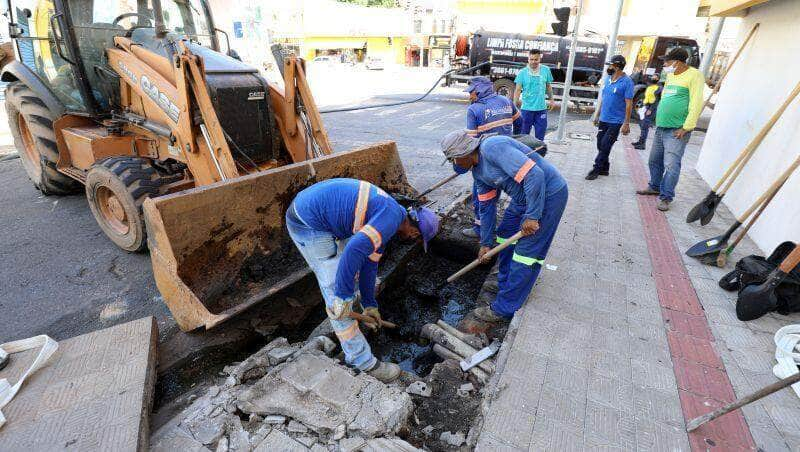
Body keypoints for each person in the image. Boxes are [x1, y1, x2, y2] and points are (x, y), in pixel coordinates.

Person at [285, 178, 440, 382]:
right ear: (415, 227)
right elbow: (353, 249)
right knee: (336, 299)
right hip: (309, 222)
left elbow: (369, 264)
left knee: (353, 271)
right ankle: (363, 362)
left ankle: (355, 308)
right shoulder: (390, 220)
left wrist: (370, 304)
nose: (413, 240)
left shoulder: (390, 221)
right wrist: (343, 296)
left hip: (323, 216)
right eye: (417, 237)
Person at [440, 131, 568, 323]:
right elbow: (487, 208)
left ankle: (505, 307)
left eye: (453, 160)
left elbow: (535, 175)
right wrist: (485, 243)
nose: (453, 165)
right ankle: (505, 281)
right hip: (522, 198)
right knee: (504, 236)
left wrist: (532, 216)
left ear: (463, 154)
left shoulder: (492, 147)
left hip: (548, 195)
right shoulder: (478, 173)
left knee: (526, 254)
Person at [636, 47, 704, 211]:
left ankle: (666, 197)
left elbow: (696, 103)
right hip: (661, 127)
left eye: (667, 61)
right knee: (654, 160)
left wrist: (686, 127)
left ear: (677, 62)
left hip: (677, 130)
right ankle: (654, 186)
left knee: (672, 165)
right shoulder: (671, 76)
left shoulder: (695, 75)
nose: (665, 64)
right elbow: (666, 98)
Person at [460, 76, 523, 238]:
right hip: (505, 157)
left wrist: (466, 164)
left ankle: (480, 229)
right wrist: (513, 139)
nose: (470, 96)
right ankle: (489, 225)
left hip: (485, 161)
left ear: (480, 90)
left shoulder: (474, 110)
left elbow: (470, 143)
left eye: (472, 93)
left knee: (482, 196)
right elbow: (519, 121)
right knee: (495, 192)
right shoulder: (505, 101)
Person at [586, 55, 634, 180]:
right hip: (603, 118)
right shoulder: (607, 79)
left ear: (617, 67)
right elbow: (604, 98)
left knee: (606, 145)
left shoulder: (627, 82)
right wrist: (596, 115)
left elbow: (629, 104)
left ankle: (596, 169)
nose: (608, 67)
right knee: (600, 144)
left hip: (616, 121)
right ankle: (605, 168)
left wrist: (626, 123)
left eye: (611, 65)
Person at [513, 49, 556, 140]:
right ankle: (523, 153)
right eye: (531, 59)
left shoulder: (546, 70)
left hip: (541, 109)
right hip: (526, 110)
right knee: (523, 137)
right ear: (528, 59)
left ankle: (539, 153)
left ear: (539, 59)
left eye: (536, 59)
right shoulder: (522, 72)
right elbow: (517, 90)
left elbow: (548, 86)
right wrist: (514, 106)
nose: (533, 62)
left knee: (540, 137)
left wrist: (552, 100)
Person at [633, 75, 662, 150]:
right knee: (641, 124)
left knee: (645, 127)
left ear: (658, 79)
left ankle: (642, 144)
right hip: (645, 107)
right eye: (653, 77)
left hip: (650, 108)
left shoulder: (658, 88)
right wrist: (642, 106)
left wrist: (650, 109)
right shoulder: (649, 87)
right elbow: (646, 98)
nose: (653, 78)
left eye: (655, 77)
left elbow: (656, 100)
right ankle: (640, 141)